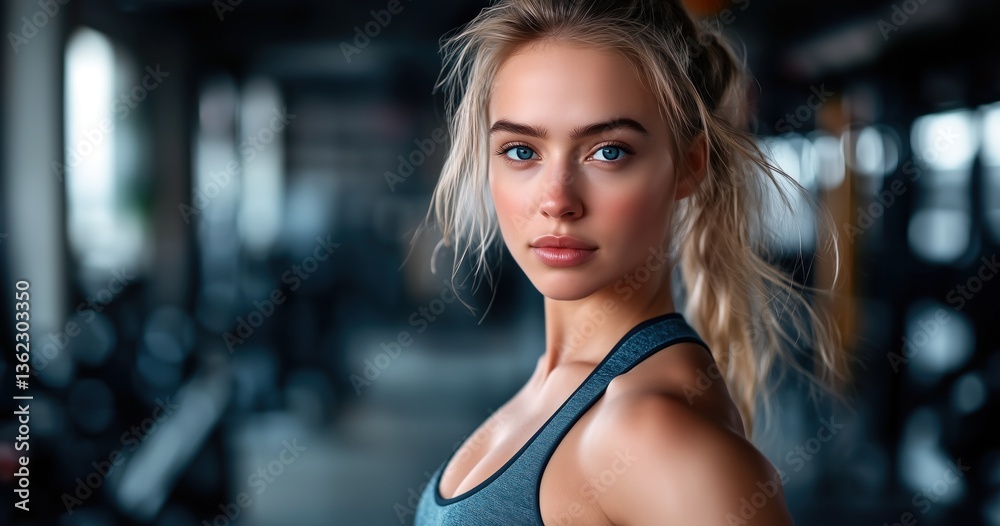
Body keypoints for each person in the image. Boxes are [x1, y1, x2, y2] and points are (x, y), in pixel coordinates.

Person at [412, 0, 846, 524]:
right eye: (522, 151)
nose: (557, 199)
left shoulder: (649, 434)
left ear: (689, 166)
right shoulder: (560, 387)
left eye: (608, 151)